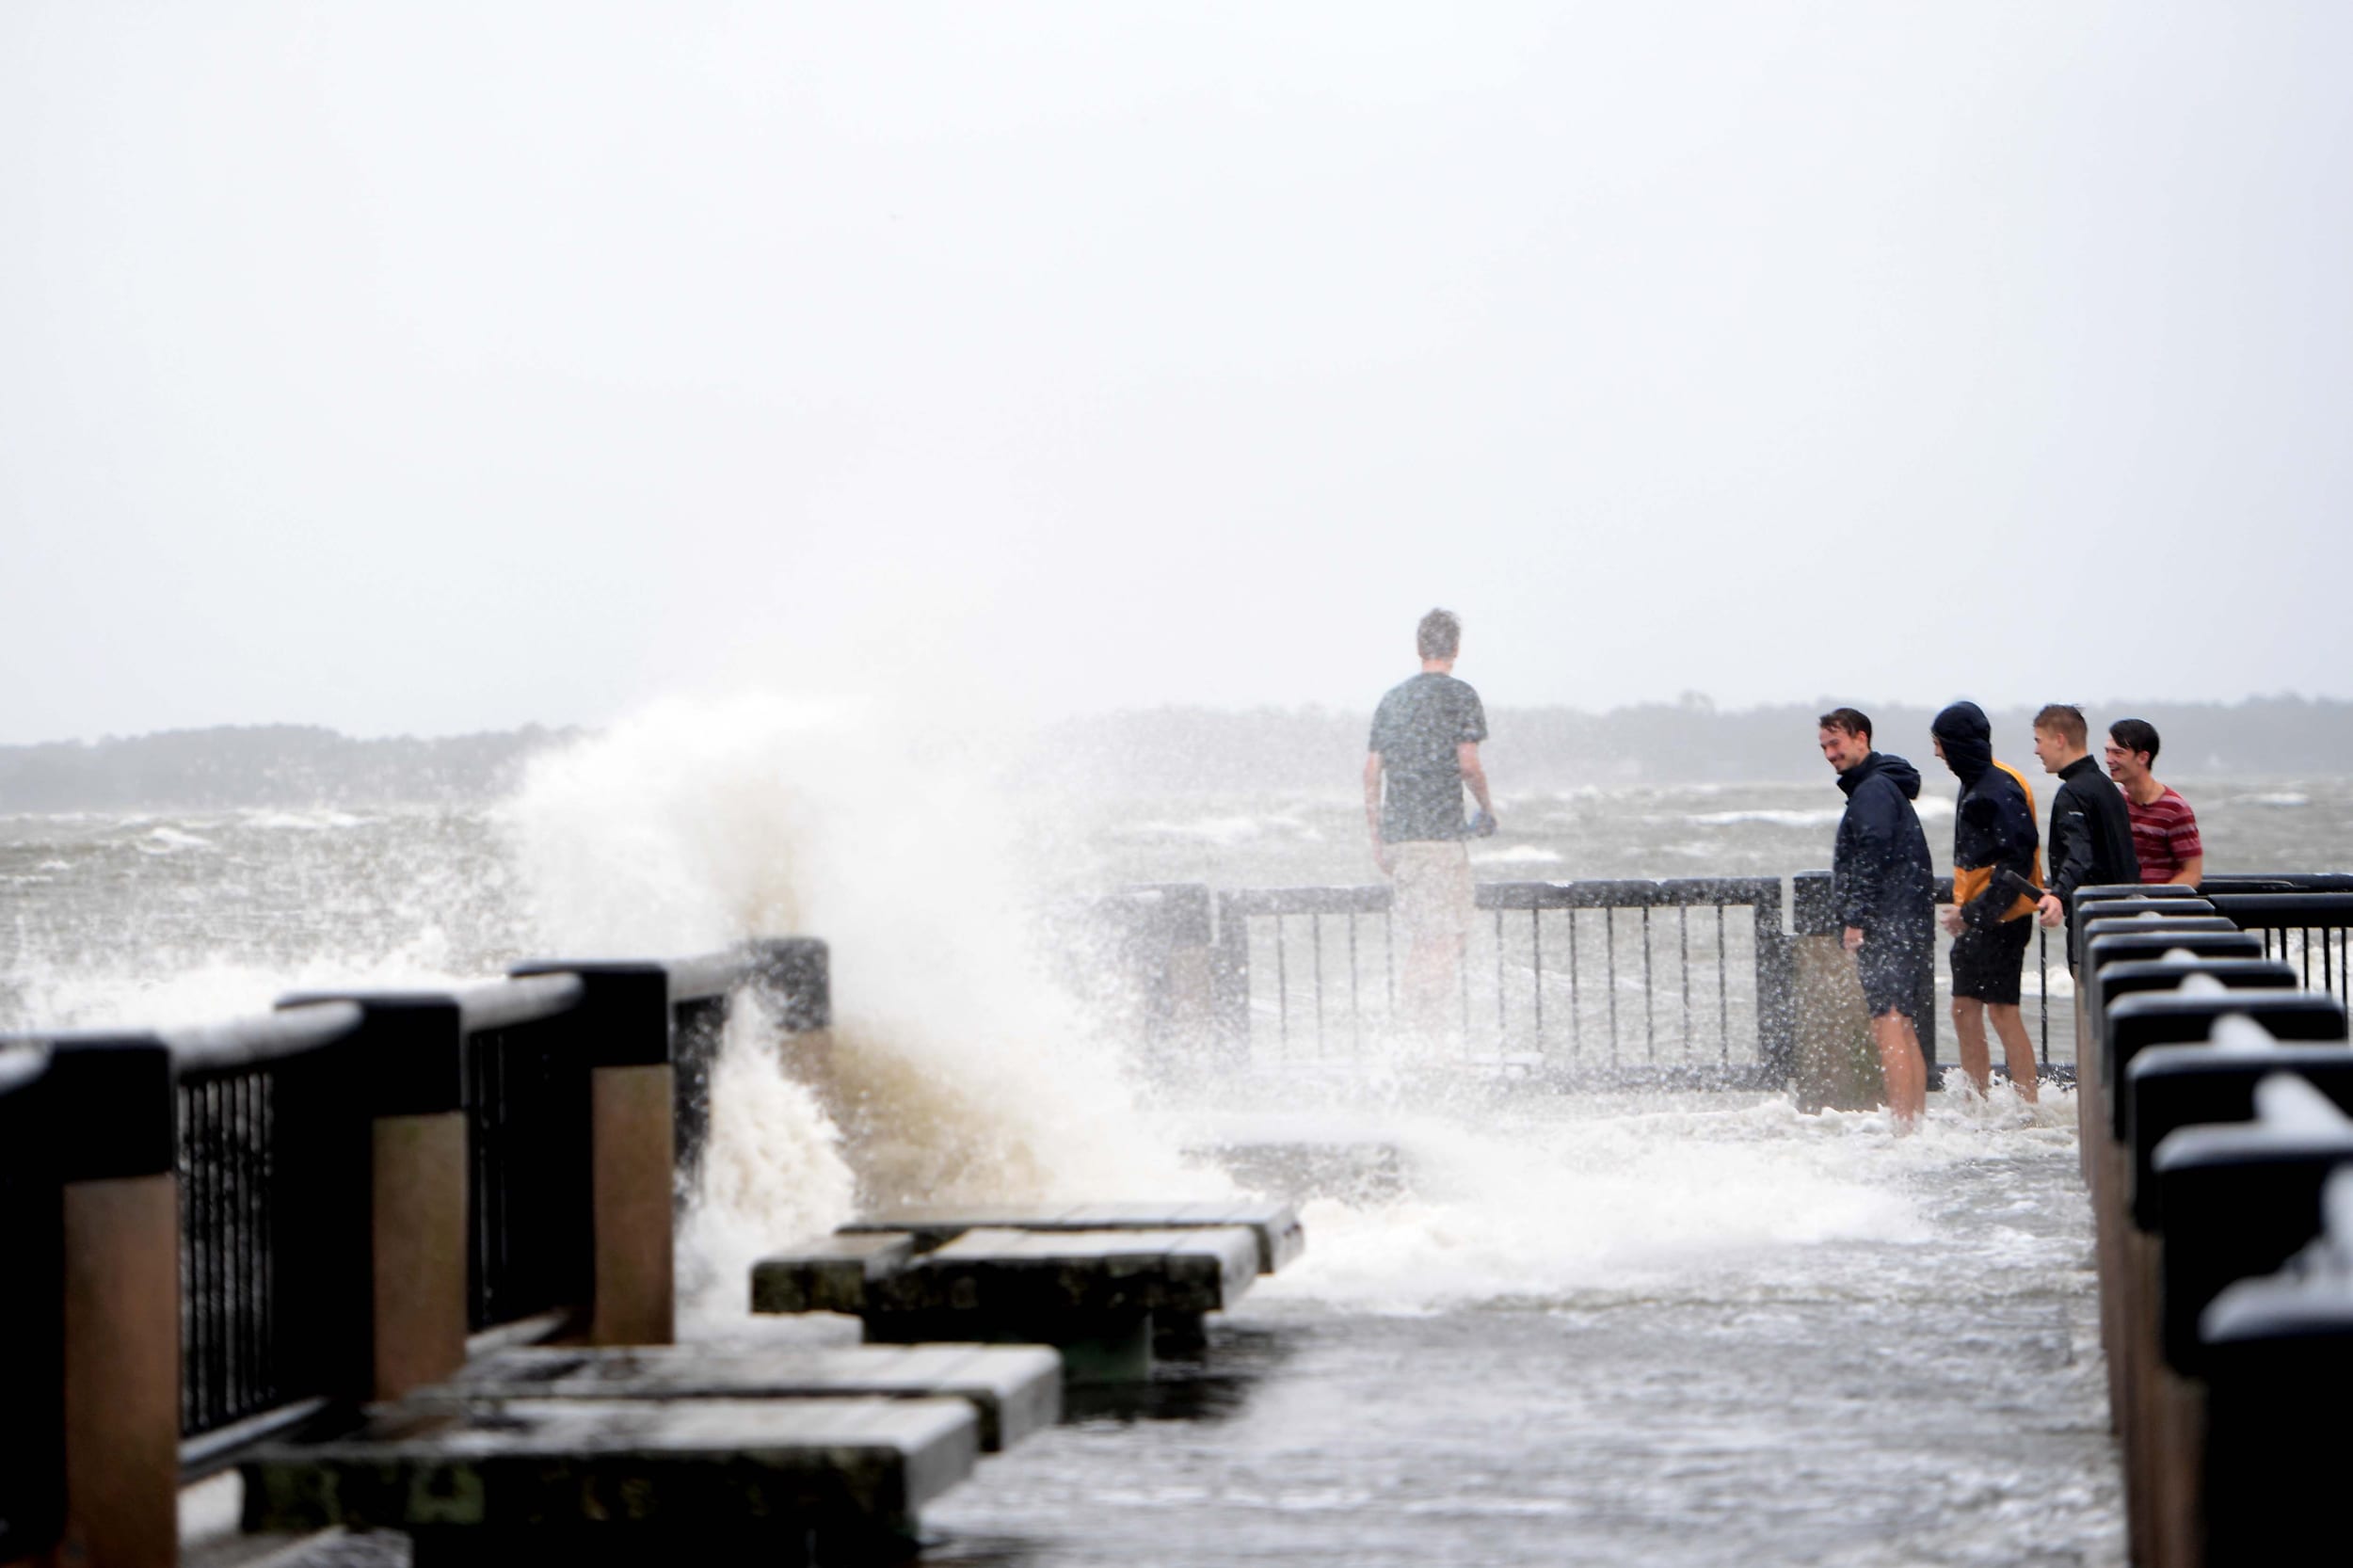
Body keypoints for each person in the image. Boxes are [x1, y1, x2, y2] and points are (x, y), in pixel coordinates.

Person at [1366, 609, 1496, 1042]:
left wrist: (1378, 839)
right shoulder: (1460, 695)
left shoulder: (1393, 700)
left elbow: (1371, 773)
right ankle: (1423, 1043)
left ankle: (1420, 1040)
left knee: (1429, 940)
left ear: (1419, 647)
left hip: (1402, 837)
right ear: (1455, 648)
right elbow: (1469, 765)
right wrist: (1487, 807)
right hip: (1439, 839)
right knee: (1442, 943)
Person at [1819, 707, 1933, 1128]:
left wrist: (1856, 917)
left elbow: (1872, 855)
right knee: (1901, 1024)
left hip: (1887, 922)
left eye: (1837, 743)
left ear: (1861, 739)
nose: (1831, 754)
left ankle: (1904, 1128)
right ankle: (1915, 1126)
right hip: (1906, 919)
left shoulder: (1871, 791)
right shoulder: (1885, 785)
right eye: (1825, 747)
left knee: (1887, 1025)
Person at [1929, 701, 2043, 1103]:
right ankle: (1976, 1105)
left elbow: (2018, 861)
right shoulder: (1978, 780)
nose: (1937, 753)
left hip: (2001, 919)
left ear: (1957, 744)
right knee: (1963, 1009)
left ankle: (2028, 1108)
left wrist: (1974, 914)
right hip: (1978, 918)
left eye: (1940, 744)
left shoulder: (1999, 786)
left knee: (2002, 1011)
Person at [2031, 703, 2140, 964]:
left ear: (2060, 740)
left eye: (2039, 741)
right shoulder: (2106, 786)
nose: (2036, 750)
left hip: (2096, 923)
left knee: (2092, 999)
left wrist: (2058, 895)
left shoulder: (2074, 793)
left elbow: (2080, 854)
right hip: (2128, 919)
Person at [2105, 718, 2204, 887]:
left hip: (2158, 908)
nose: (2108, 759)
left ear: (2143, 757)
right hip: (2119, 903)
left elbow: (2192, 873)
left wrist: (2157, 901)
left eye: (2118, 753)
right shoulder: (2115, 802)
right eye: (2107, 752)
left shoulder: (2175, 809)